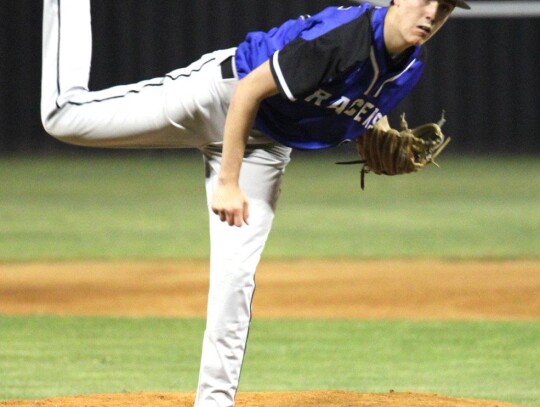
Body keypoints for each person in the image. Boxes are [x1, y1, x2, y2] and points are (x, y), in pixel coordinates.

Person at [40, 0, 470, 405]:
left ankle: (214, 402)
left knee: (236, 277)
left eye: (446, 6)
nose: (432, 14)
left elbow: (349, 102)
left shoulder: (412, 63)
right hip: (217, 97)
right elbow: (250, 90)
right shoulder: (346, 37)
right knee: (64, 117)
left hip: (266, 146)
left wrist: (366, 133)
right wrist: (228, 181)